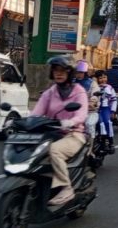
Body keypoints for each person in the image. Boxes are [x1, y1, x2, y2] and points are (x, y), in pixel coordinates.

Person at [31, 56, 89, 206]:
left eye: (63, 71)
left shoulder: (79, 92)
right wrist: (25, 121)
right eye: (56, 70)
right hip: (50, 134)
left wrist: (70, 122)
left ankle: (66, 188)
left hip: (73, 134)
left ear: (70, 73)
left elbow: (81, 115)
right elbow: (36, 112)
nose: (59, 73)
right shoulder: (50, 92)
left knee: (54, 151)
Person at [93, 70, 117, 154]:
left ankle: (110, 142)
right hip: (95, 109)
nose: (103, 79)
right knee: (99, 123)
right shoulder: (93, 87)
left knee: (106, 123)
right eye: (100, 78)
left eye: (104, 77)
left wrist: (113, 111)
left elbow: (114, 100)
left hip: (105, 109)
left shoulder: (109, 88)